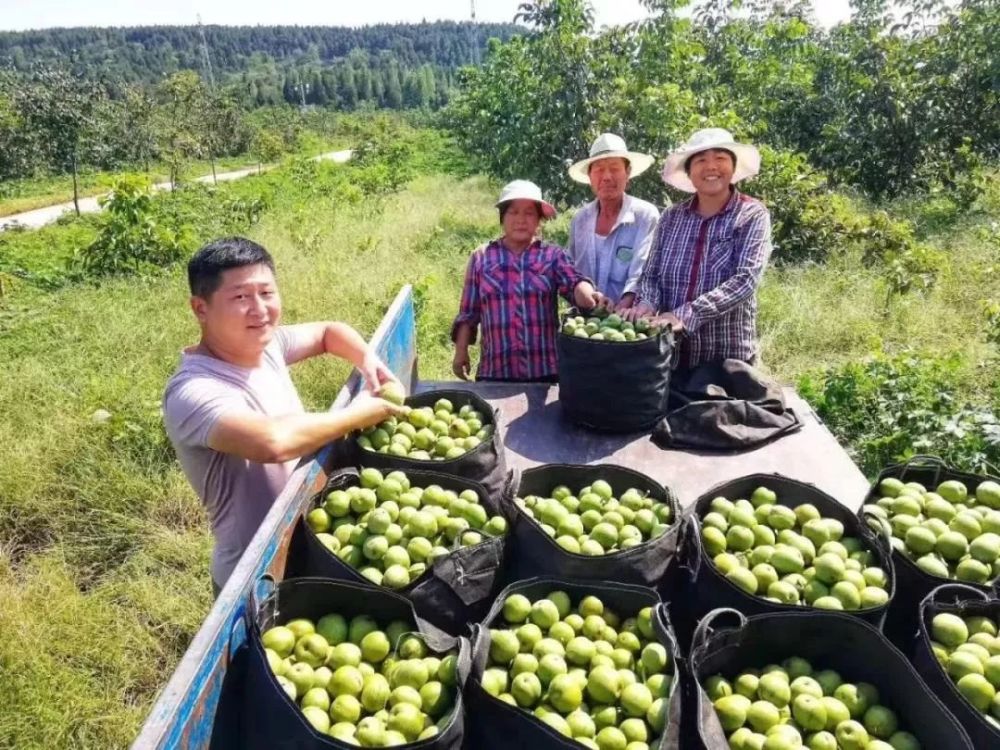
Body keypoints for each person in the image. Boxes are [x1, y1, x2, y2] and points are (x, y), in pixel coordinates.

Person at [162, 236, 404, 596]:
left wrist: (368, 360)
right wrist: (357, 415)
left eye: (267, 293)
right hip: (253, 575)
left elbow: (328, 332)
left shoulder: (267, 345)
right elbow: (272, 442)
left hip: (308, 539)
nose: (259, 309)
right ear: (201, 308)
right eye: (241, 297)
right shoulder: (193, 391)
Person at [626, 128, 772, 374]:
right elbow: (651, 275)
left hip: (726, 362)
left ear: (733, 168)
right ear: (690, 172)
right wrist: (647, 305)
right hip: (674, 359)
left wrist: (683, 316)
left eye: (721, 158)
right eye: (701, 160)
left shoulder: (751, 215)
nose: (711, 166)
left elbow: (745, 281)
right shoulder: (671, 217)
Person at [452, 180, 606, 382]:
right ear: (502, 217)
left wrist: (588, 293)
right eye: (513, 212)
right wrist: (460, 351)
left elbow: (574, 282)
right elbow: (469, 312)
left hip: (545, 372)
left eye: (529, 213)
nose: (521, 220)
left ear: (539, 219)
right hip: (495, 371)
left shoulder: (553, 255)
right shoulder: (482, 257)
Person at [566, 133, 661, 310]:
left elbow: (644, 272)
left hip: (629, 324)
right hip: (584, 322)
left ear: (628, 173)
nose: (607, 177)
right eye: (599, 169)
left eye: (615, 168)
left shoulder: (645, 216)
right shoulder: (580, 220)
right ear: (590, 176)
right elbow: (570, 271)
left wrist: (622, 308)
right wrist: (583, 294)